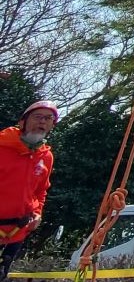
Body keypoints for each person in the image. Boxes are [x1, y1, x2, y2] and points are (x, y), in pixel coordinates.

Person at [0, 101, 57, 281]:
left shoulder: (46, 156)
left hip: (17, 230)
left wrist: (37, 213)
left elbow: (41, 190)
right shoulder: (2, 146)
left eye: (48, 118)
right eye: (37, 117)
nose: (42, 122)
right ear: (22, 121)